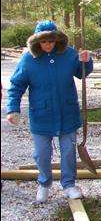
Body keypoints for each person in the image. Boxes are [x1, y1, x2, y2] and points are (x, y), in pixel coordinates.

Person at [6, 20, 93, 203]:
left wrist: (87, 60)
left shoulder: (69, 54)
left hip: (67, 113)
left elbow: (82, 72)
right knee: (42, 153)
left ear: (57, 40)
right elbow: (16, 85)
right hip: (41, 115)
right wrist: (13, 108)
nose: (47, 45)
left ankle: (69, 184)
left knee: (68, 151)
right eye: (44, 42)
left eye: (51, 41)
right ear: (37, 42)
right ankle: (44, 184)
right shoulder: (28, 59)